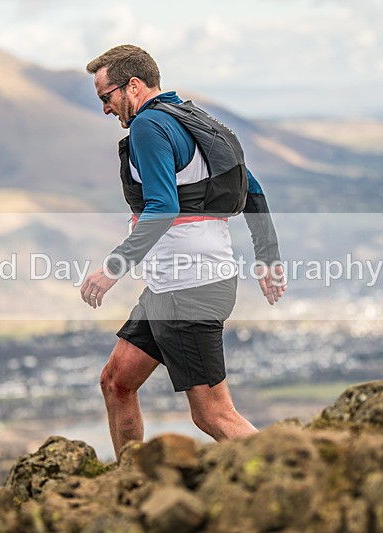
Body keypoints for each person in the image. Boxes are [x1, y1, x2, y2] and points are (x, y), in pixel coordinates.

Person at [80, 44, 286, 456]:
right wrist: (267, 258)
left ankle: (291, 476)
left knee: (212, 414)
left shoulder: (147, 127)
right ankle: (130, 483)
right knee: (116, 381)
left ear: (133, 86)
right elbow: (255, 191)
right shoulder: (198, 120)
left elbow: (162, 206)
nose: (105, 109)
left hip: (187, 289)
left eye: (107, 97)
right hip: (174, 286)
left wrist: (112, 269)